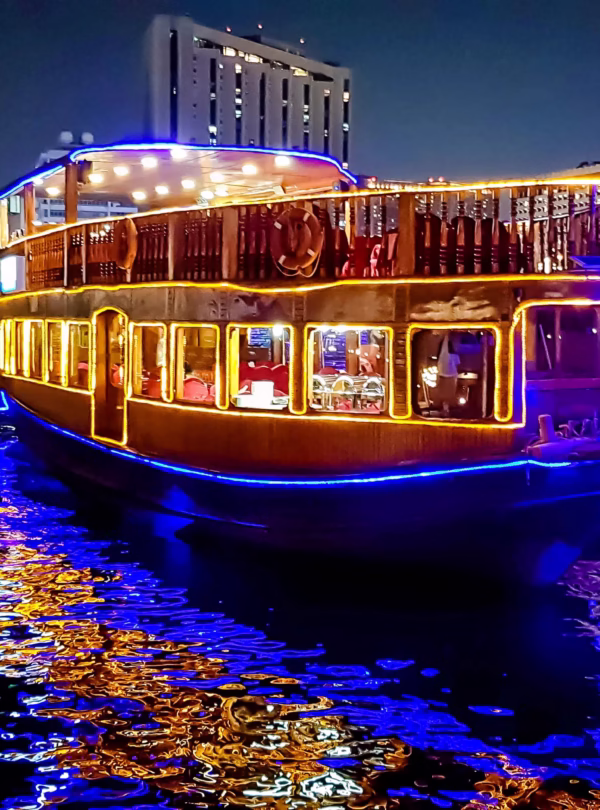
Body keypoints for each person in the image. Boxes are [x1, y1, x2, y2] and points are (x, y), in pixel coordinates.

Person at [437, 334, 460, 416]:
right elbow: (457, 365)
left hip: (443, 375)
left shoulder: (442, 356)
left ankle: (445, 408)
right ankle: (446, 408)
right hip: (451, 376)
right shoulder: (455, 355)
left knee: (444, 394)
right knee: (448, 394)